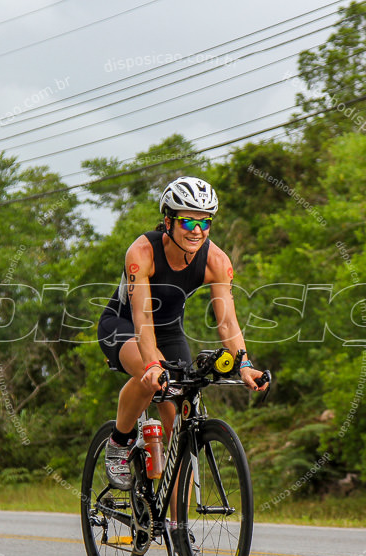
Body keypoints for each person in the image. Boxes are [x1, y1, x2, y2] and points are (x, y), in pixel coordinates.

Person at [97, 175, 268, 501]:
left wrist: (245, 365)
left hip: (170, 331)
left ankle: (180, 533)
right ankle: (119, 442)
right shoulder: (142, 251)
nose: (197, 230)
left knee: (181, 428)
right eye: (188, 220)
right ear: (168, 221)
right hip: (124, 325)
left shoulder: (217, 261)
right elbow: (143, 319)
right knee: (151, 377)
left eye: (205, 222)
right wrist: (154, 363)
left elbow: (228, 321)